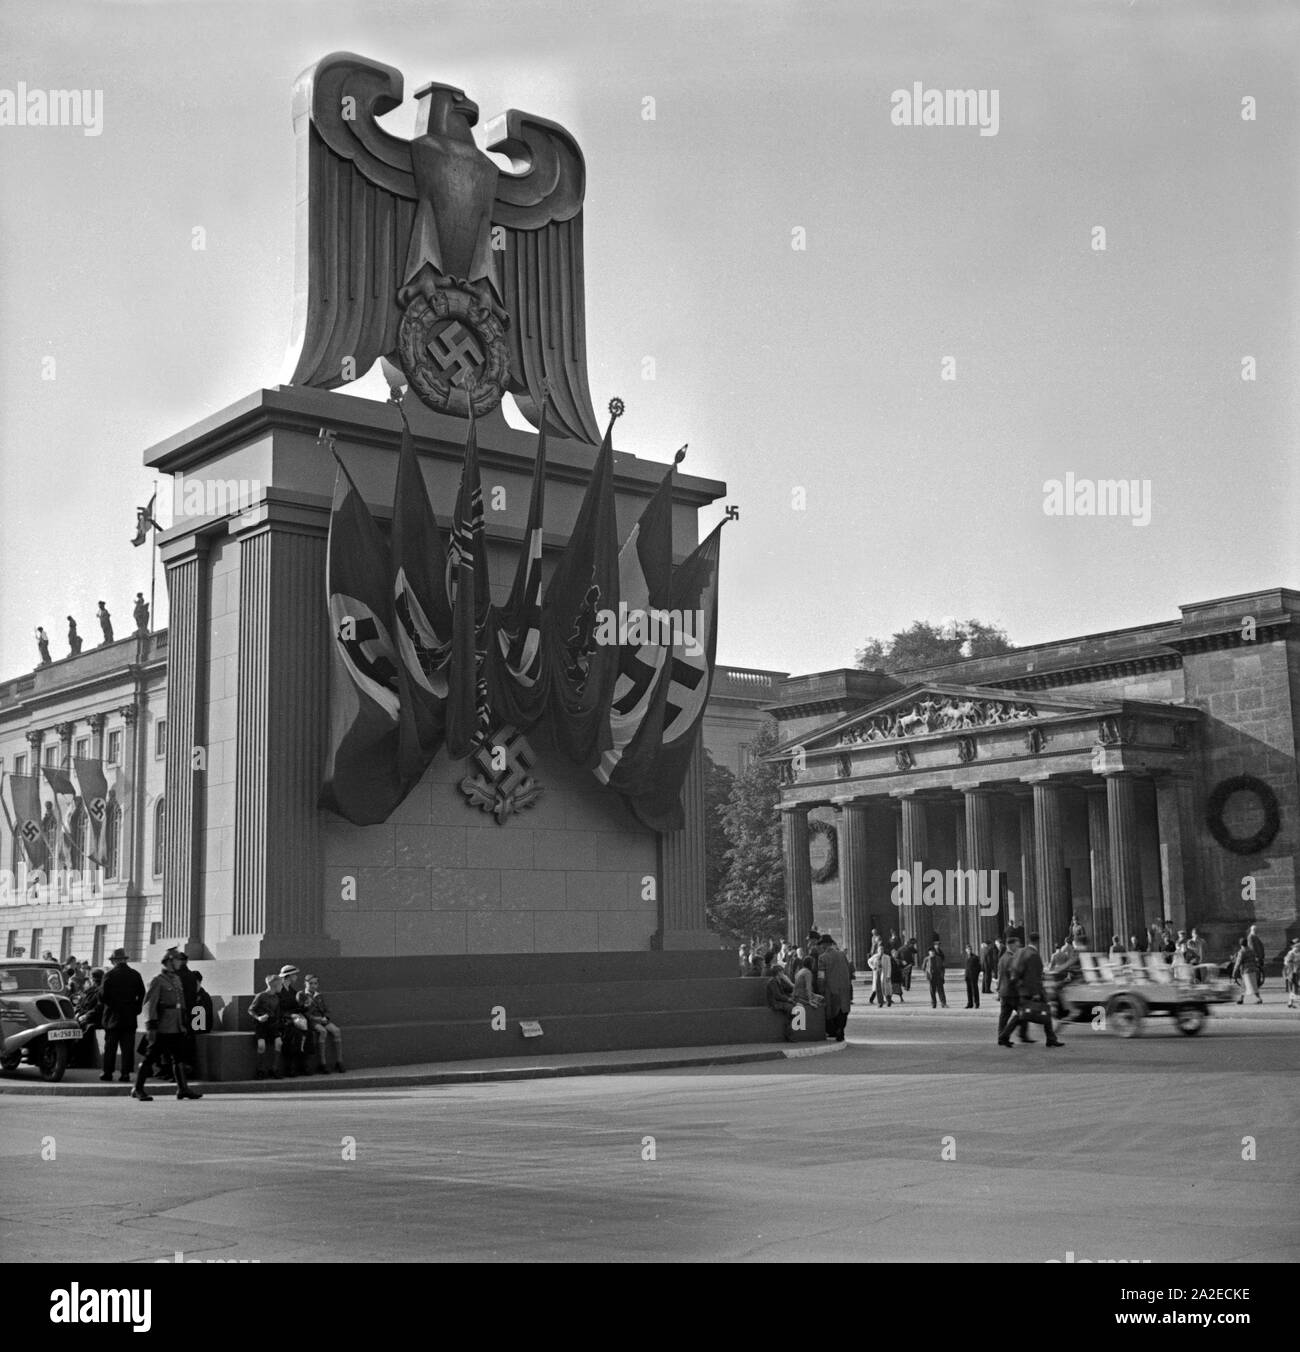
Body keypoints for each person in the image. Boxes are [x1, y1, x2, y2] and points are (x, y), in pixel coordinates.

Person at [132, 949, 202, 1100]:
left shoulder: (176, 979)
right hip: (162, 1027)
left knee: (179, 1058)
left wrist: (183, 1023)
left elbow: (180, 1003)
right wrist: (151, 1026)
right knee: (149, 1058)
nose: (180, 962)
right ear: (169, 961)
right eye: (177, 960)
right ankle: (137, 1089)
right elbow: (149, 1005)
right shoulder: (158, 980)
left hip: (176, 1026)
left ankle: (183, 1089)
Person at [1007, 932, 1064, 1048]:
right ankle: (1051, 1039)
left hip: (1023, 989)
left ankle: (1049, 1038)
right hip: (1032, 989)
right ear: (1038, 941)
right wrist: (1036, 993)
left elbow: (1014, 970)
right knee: (1042, 1012)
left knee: (1021, 1015)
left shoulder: (1021, 951)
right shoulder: (1033, 954)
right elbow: (1032, 976)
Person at [99, 948, 145, 1083]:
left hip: (112, 1017)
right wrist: (136, 1009)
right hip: (129, 1017)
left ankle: (108, 1072)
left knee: (110, 1047)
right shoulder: (135, 974)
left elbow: (102, 996)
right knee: (127, 1048)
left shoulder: (109, 975)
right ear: (125, 960)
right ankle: (125, 1074)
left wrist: (110, 1005)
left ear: (115, 961)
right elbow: (142, 993)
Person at [817, 934, 853, 1042]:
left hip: (831, 990)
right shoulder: (842, 955)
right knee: (843, 1011)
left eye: (821, 945)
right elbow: (849, 970)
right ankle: (841, 1030)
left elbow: (821, 976)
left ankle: (836, 1030)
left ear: (824, 945)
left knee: (832, 1012)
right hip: (844, 988)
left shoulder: (822, 958)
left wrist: (820, 989)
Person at [276, 964, 311, 1074]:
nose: (296, 977)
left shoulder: (292, 991)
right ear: (289, 976)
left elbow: (296, 1007)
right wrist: (290, 1015)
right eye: (294, 974)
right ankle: (289, 1066)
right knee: (293, 1034)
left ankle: (303, 1064)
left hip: (295, 1018)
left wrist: (305, 1006)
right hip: (284, 1020)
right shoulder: (278, 990)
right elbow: (277, 1008)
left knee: (308, 1033)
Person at [249, 973, 285, 1079]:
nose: (282, 987)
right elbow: (251, 1009)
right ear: (274, 985)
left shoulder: (277, 998)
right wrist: (258, 1017)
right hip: (261, 1025)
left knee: (279, 1043)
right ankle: (260, 1070)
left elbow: (277, 1013)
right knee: (261, 1046)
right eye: (280, 985)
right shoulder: (261, 996)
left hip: (273, 1024)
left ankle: (274, 1069)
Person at [172, 950, 200, 1079]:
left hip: (176, 1016)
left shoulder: (175, 976)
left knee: (176, 1047)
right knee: (188, 1045)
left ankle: (175, 1074)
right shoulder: (191, 976)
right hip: (189, 1015)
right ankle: (189, 1072)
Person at [996, 933, 1024, 1047]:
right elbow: (1013, 976)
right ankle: (1005, 1036)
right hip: (1011, 992)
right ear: (1011, 946)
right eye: (1017, 946)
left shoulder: (1002, 958)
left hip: (1003, 991)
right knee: (1022, 1014)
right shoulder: (1011, 959)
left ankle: (1001, 1037)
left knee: (1004, 1016)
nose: (1018, 948)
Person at [764, 961, 798, 1041]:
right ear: (778, 973)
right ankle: (788, 1032)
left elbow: (788, 989)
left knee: (793, 1007)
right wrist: (788, 999)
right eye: (782, 972)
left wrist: (788, 981)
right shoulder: (772, 982)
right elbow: (777, 995)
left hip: (780, 1001)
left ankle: (788, 1029)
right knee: (791, 1009)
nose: (783, 974)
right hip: (774, 1003)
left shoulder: (780, 981)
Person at [1232, 939, 1262, 1004]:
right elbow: (1255, 959)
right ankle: (1241, 999)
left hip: (1246, 970)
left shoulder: (1242, 952)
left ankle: (1259, 999)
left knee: (1252, 986)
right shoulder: (1251, 950)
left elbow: (1238, 963)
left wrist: (1234, 972)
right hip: (1253, 969)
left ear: (1240, 944)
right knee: (1245, 985)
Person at [923, 940, 947, 1009]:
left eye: (933, 952)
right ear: (929, 952)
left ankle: (943, 1003)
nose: (932, 953)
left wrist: (942, 975)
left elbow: (942, 968)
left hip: (938, 976)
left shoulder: (938, 958)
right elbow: (923, 967)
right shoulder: (926, 959)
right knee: (932, 991)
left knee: (940, 990)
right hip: (931, 976)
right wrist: (926, 974)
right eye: (931, 952)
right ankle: (934, 1003)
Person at [1283, 938, 1300, 1010]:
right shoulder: (1292, 953)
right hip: (1293, 972)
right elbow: (1287, 963)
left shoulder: (1294, 953)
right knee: (1295, 988)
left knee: (1295, 988)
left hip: (1295, 972)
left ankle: (1290, 1002)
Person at [962, 945, 981, 1009]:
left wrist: (976, 975)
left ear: (971, 950)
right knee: (969, 990)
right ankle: (970, 1003)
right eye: (967, 949)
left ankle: (976, 1003)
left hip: (973, 977)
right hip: (967, 976)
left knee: (974, 990)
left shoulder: (975, 957)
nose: (969, 950)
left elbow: (979, 967)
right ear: (966, 950)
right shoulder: (966, 957)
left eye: (970, 949)